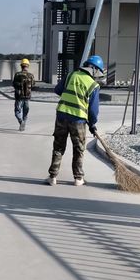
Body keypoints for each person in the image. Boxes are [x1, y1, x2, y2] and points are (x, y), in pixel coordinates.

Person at [46, 55, 104, 186]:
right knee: (78, 148)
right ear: (95, 70)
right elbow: (93, 110)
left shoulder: (71, 75)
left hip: (61, 115)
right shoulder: (93, 85)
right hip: (78, 120)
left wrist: (72, 92)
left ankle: (52, 177)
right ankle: (78, 178)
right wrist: (92, 123)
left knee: (58, 146)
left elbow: (57, 90)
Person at [12, 58, 35, 131]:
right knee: (25, 112)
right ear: (28, 66)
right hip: (27, 97)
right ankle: (23, 123)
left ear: (21, 66)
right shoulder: (31, 75)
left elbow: (14, 84)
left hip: (19, 97)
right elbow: (33, 84)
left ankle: (21, 122)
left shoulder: (17, 74)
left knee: (17, 112)